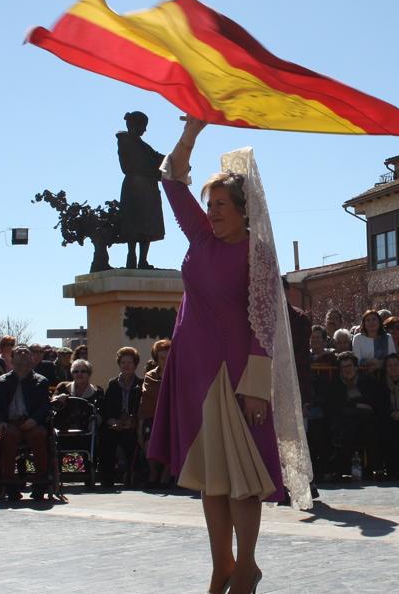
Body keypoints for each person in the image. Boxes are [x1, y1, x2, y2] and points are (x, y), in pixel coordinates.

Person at [146, 118, 312, 594]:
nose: (212, 211)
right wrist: (192, 132)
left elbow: (266, 323)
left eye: (221, 205)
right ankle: (221, 565)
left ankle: (247, 567)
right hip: (193, 370)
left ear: (244, 209)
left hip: (235, 374)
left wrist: (257, 387)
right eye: (209, 204)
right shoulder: (200, 238)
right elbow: (169, 180)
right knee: (210, 478)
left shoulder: (258, 255)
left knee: (241, 476)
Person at [0, 345, 52, 501]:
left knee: (40, 435)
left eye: (26, 352)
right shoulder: (2, 381)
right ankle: (10, 485)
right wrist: (1, 421)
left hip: (31, 422)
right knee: (8, 436)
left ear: (32, 359)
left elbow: (45, 406)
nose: (23, 354)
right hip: (10, 422)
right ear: (12, 359)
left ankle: (40, 484)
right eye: (19, 352)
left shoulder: (41, 381)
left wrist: (34, 420)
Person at [117, 110, 166, 269]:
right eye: (143, 126)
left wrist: (174, 160)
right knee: (134, 223)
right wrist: (154, 171)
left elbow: (157, 157)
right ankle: (132, 256)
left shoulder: (143, 146)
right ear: (134, 126)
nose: (144, 130)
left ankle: (142, 260)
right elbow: (129, 166)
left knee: (147, 224)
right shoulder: (125, 142)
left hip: (147, 188)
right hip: (135, 188)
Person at [323, 352, 379, 480]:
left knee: (372, 429)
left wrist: (352, 405)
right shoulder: (336, 384)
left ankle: (372, 469)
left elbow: (371, 402)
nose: (347, 370)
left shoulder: (366, 381)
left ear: (355, 367)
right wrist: (357, 406)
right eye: (343, 367)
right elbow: (335, 405)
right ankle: (343, 469)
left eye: (349, 366)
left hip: (366, 419)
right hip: (344, 420)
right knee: (344, 430)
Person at [100, 347, 143, 489]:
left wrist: (132, 421)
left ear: (135, 364)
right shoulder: (113, 384)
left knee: (130, 439)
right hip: (115, 423)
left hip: (132, 424)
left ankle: (133, 475)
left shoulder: (140, 384)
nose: (126, 365)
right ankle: (107, 478)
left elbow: (141, 407)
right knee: (107, 438)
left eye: (129, 362)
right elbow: (106, 408)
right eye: (123, 362)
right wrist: (112, 421)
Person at [139, 340, 171, 488]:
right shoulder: (150, 376)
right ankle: (153, 473)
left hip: (172, 417)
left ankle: (166, 474)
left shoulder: (178, 373)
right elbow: (149, 397)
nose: (165, 361)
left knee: (171, 438)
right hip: (152, 416)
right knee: (148, 442)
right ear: (156, 358)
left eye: (168, 357)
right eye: (162, 358)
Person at [351, 310, 397, 376]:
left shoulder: (387, 337)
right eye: (368, 320)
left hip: (384, 377)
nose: (371, 322)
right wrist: (370, 362)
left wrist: (379, 364)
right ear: (364, 323)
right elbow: (356, 360)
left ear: (379, 321)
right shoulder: (358, 338)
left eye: (374, 319)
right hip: (363, 377)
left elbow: (393, 358)